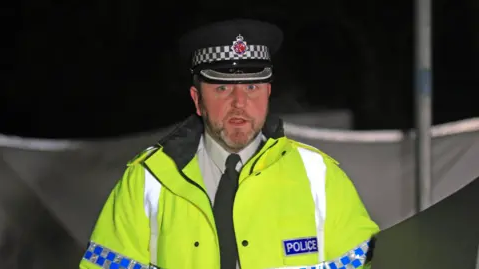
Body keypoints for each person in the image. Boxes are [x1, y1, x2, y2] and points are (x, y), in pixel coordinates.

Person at [79, 18, 380, 269]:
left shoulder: (320, 178)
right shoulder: (147, 181)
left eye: (251, 86)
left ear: (268, 94)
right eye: (222, 87)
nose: (239, 102)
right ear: (197, 100)